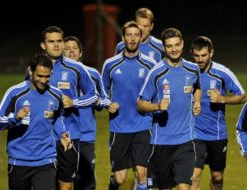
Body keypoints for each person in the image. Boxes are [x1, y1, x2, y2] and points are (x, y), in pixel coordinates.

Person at [0, 54, 71, 190]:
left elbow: (57, 117)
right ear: (31, 71)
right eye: (39, 76)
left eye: (47, 76)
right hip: (19, 161)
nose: (43, 80)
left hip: (46, 160)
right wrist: (15, 118)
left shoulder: (56, 94)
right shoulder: (15, 93)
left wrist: (62, 134)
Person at [137, 27, 202, 190]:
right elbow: (140, 104)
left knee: (184, 187)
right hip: (161, 142)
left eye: (177, 45)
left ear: (182, 44)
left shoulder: (193, 69)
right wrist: (157, 106)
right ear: (164, 47)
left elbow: (198, 87)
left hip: (185, 141)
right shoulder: (156, 73)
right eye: (169, 46)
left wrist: (197, 102)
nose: (174, 49)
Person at [40, 26, 98, 190]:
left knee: (67, 185)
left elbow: (94, 95)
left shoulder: (76, 68)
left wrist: (75, 102)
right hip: (42, 136)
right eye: (51, 42)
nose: (56, 45)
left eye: (59, 41)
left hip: (69, 136)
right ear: (43, 45)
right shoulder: (34, 69)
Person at [102, 21, 156, 190]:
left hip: (143, 125)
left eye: (136, 35)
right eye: (129, 35)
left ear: (141, 38)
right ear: (123, 37)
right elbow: (101, 92)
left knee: (142, 173)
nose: (132, 39)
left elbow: (156, 93)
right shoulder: (110, 64)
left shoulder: (150, 65)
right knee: (120, 179)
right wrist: (107, 103)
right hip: (119, 126)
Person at [189, 36, 246, 190]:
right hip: (194, 133)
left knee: (217, 177)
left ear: (211, 53)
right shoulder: (187, 72)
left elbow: (242, 95)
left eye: (204, 55)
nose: (200, 60)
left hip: (216, 134)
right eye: (197, 56)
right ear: (192, 54)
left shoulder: (222, 72)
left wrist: (222, 98)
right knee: (193, 177)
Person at [64, 35, 107, 190]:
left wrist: (88, 101)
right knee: (64, 181)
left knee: (87, 183)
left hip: (86, 136)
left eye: (74, 48)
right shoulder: (54, 73)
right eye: (67, 49)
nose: (71, 52)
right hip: (63, 136)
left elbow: (102, 101)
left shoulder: (93, 74)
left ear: (81, 53)